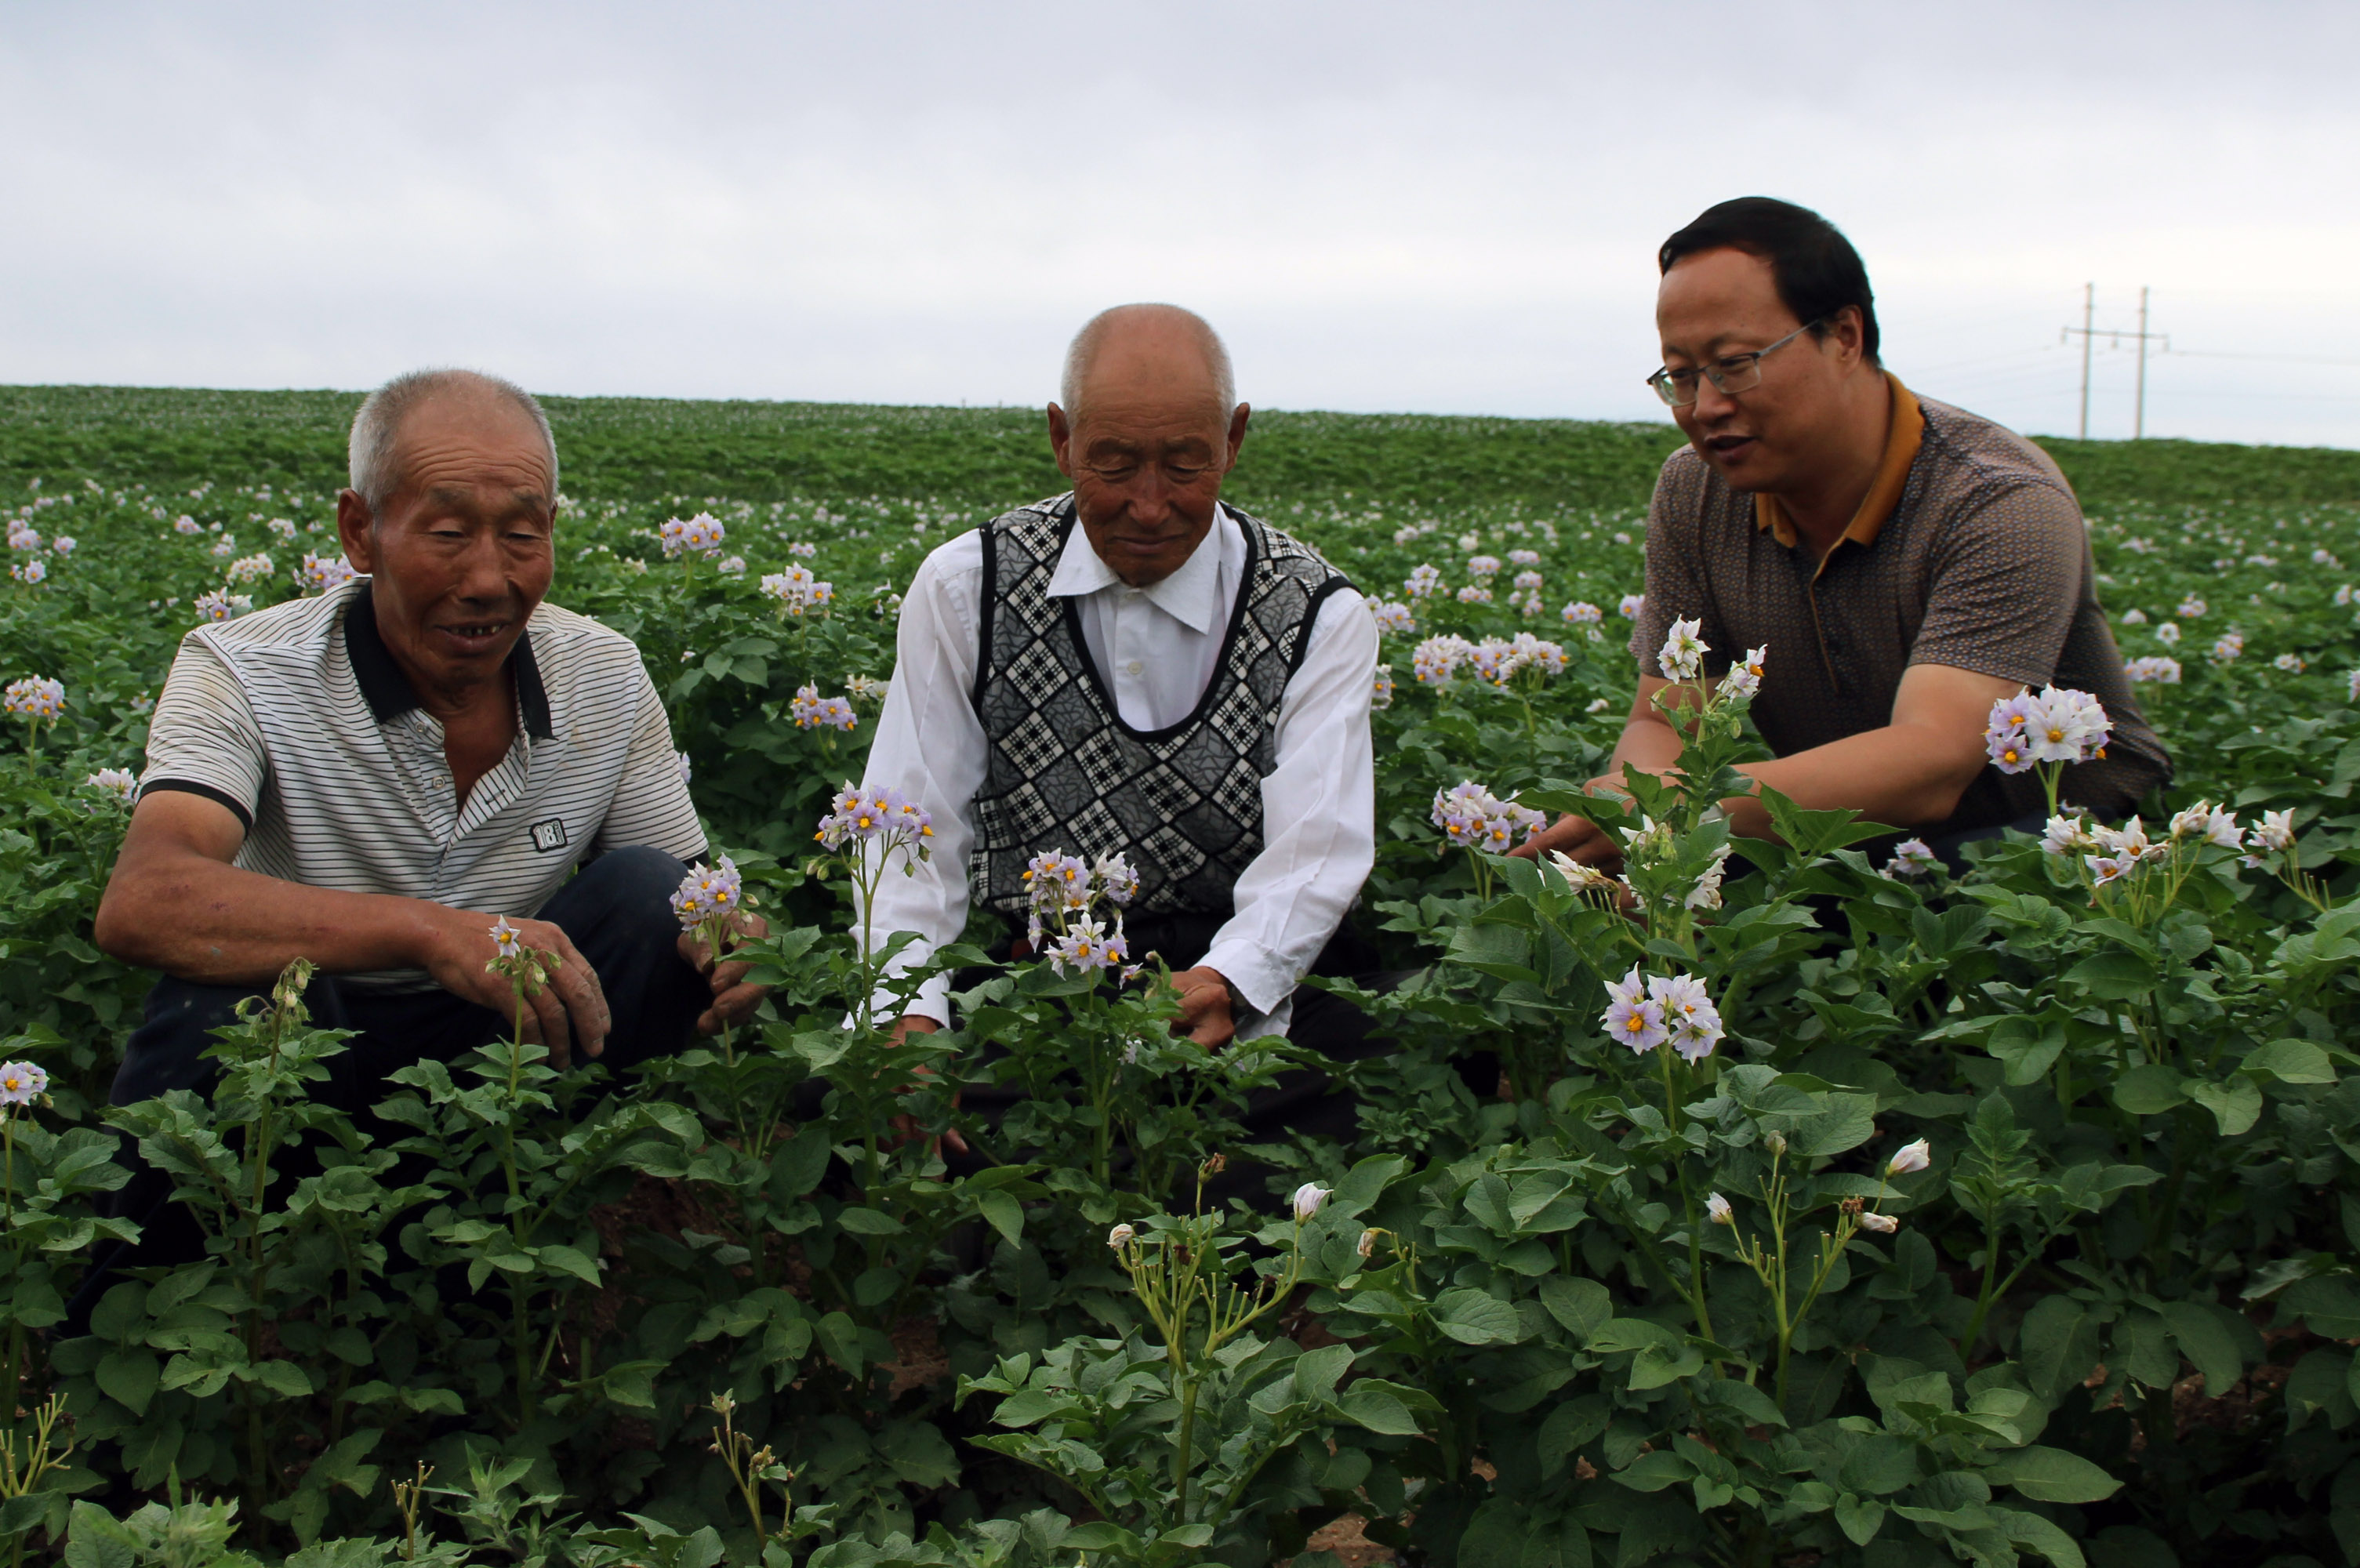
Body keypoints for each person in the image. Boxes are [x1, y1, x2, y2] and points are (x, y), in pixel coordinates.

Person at [91, 368, 765, 1274]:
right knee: (228, 996)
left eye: (521, 535)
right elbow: (146, 899)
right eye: (446, 534)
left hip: (504, 1049)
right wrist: (428, 932)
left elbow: (688, 888)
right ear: (359, 531)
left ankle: (568, 1238)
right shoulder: (245, 667)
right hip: (308, 1038)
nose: (488, 578)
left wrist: (731, 937)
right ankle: (142, 1318)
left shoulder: (602, 673)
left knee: (659, 900)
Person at [1520, 198, 2169, 873]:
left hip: (2070, 856)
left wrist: (1681, 816)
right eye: (1679, 377)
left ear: (1845, 336)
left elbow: (1930, 759)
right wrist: (1642, 839)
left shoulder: (1995, 499)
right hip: (1856, 843)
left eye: (1735, 364)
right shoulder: (1697, 492)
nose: (1706, 406)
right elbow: (1665, 722)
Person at [858, 303, 1382, 1135]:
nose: (1147, 505)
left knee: (1332, 1077)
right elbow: (911, 831)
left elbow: (1314, 855)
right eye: (1112, 463)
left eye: (1184, 465)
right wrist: (910, 1016)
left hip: (1219, 965)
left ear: (1234, 440)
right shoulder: (968, 587)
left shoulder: (1316, 612)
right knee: (914, 1110)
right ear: (1061, 439)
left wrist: (1229, 977)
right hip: (1029, 969)